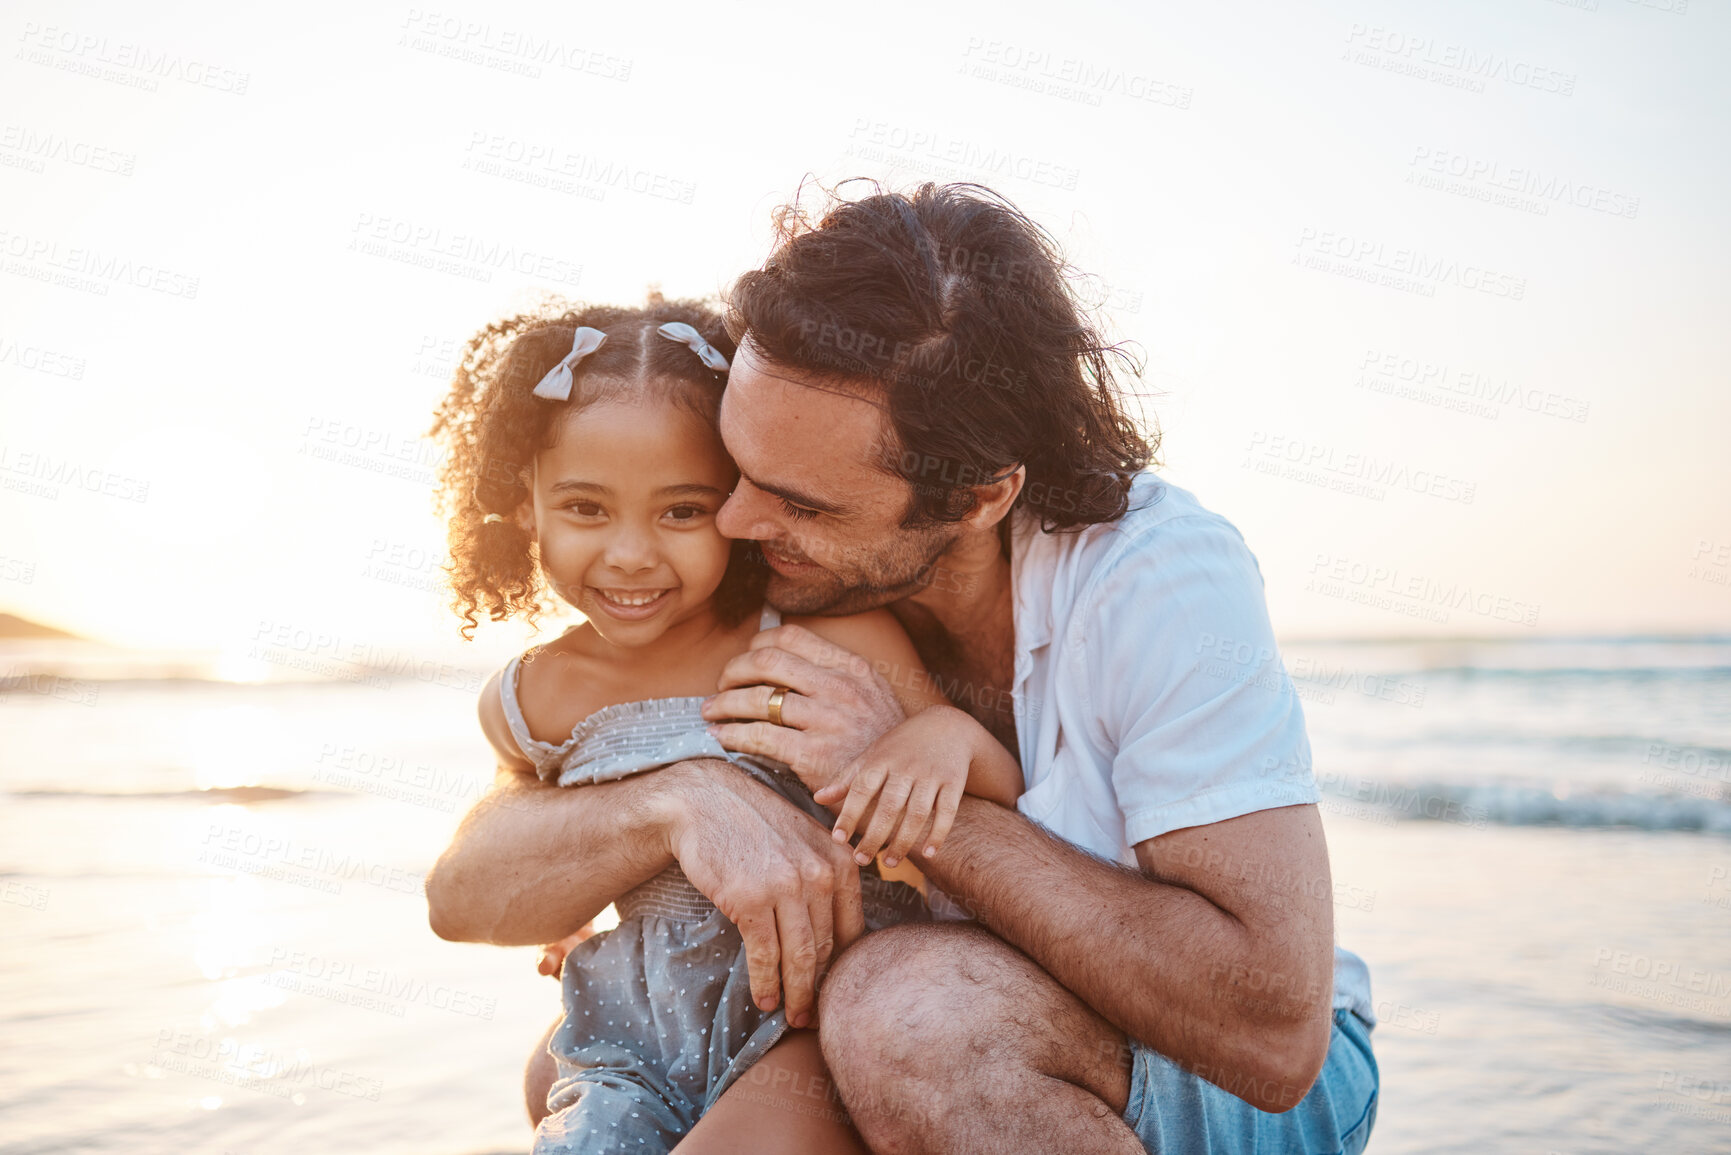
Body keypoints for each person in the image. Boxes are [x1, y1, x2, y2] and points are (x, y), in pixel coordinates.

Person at [429, 182, 1378, 1154]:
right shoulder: (778, 587)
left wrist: (897, 783)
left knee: (904, 1015)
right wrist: (676, 805)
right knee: (570, 1060)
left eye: (799, 503)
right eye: (733, 469)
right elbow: (473, 876)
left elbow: (1272, 1038)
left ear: (974, 499)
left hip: (1220, 1074)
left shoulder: (1159, 583)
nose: (736, 523)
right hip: (961, 1022)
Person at [426, 296, 1022, 1153]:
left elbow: (992, 779)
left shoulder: (820, 638)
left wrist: (944, 738)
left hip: (805, 1020)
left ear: (739, 505)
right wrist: (565, 906)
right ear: (524, 507)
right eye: (586, 508)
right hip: (626, 1036)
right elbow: (527, 834)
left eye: (681, 510)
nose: (630, 552)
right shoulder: (533, 695)